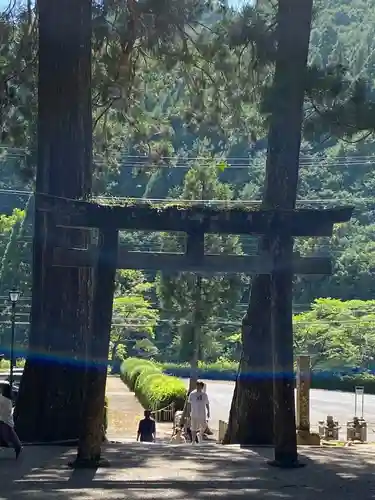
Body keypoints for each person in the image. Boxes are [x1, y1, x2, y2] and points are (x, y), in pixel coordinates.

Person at [0, 382, 22, 459]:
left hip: (3, 421)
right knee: (11, 435)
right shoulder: (8, 400)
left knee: (8, 436)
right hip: (7, 421)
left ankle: (17, 446)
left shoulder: (2, 399)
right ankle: (18, 447)